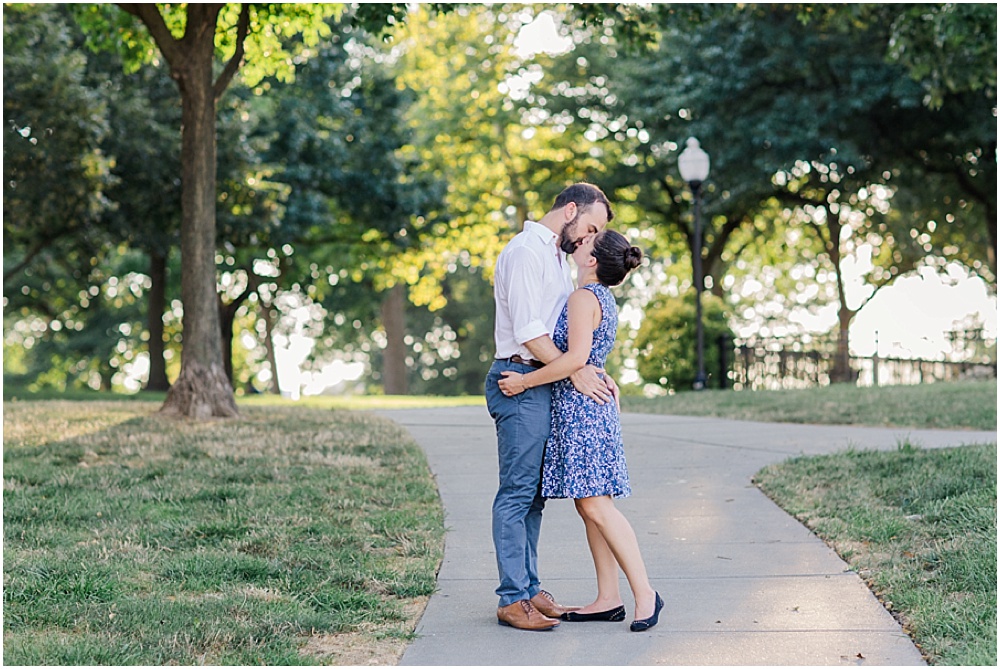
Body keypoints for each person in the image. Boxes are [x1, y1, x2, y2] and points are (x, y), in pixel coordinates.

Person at [498, 229, 663, 633]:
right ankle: (608, 598)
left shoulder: (581, 297)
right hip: (589, 408)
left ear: (592, 260)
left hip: (583, 411)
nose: (581, 240)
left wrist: (524, 383)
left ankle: (645, 593)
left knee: (595, 506)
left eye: (590, 240)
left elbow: (574, 359)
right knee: (590, 507)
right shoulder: (601, 297)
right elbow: (588, 357)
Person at [485, 183, 619, 631]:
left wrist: (590, 366)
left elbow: (570, 336)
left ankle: (527, 589)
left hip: (543, 382)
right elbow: (529, 331)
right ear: (570, 210)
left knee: (535, 498)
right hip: (517, 379)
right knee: (517, 492)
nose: (590, 240)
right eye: (590, 227)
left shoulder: (559, 260)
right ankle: (510, 599)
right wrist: (575, 370)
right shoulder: (526, 252)